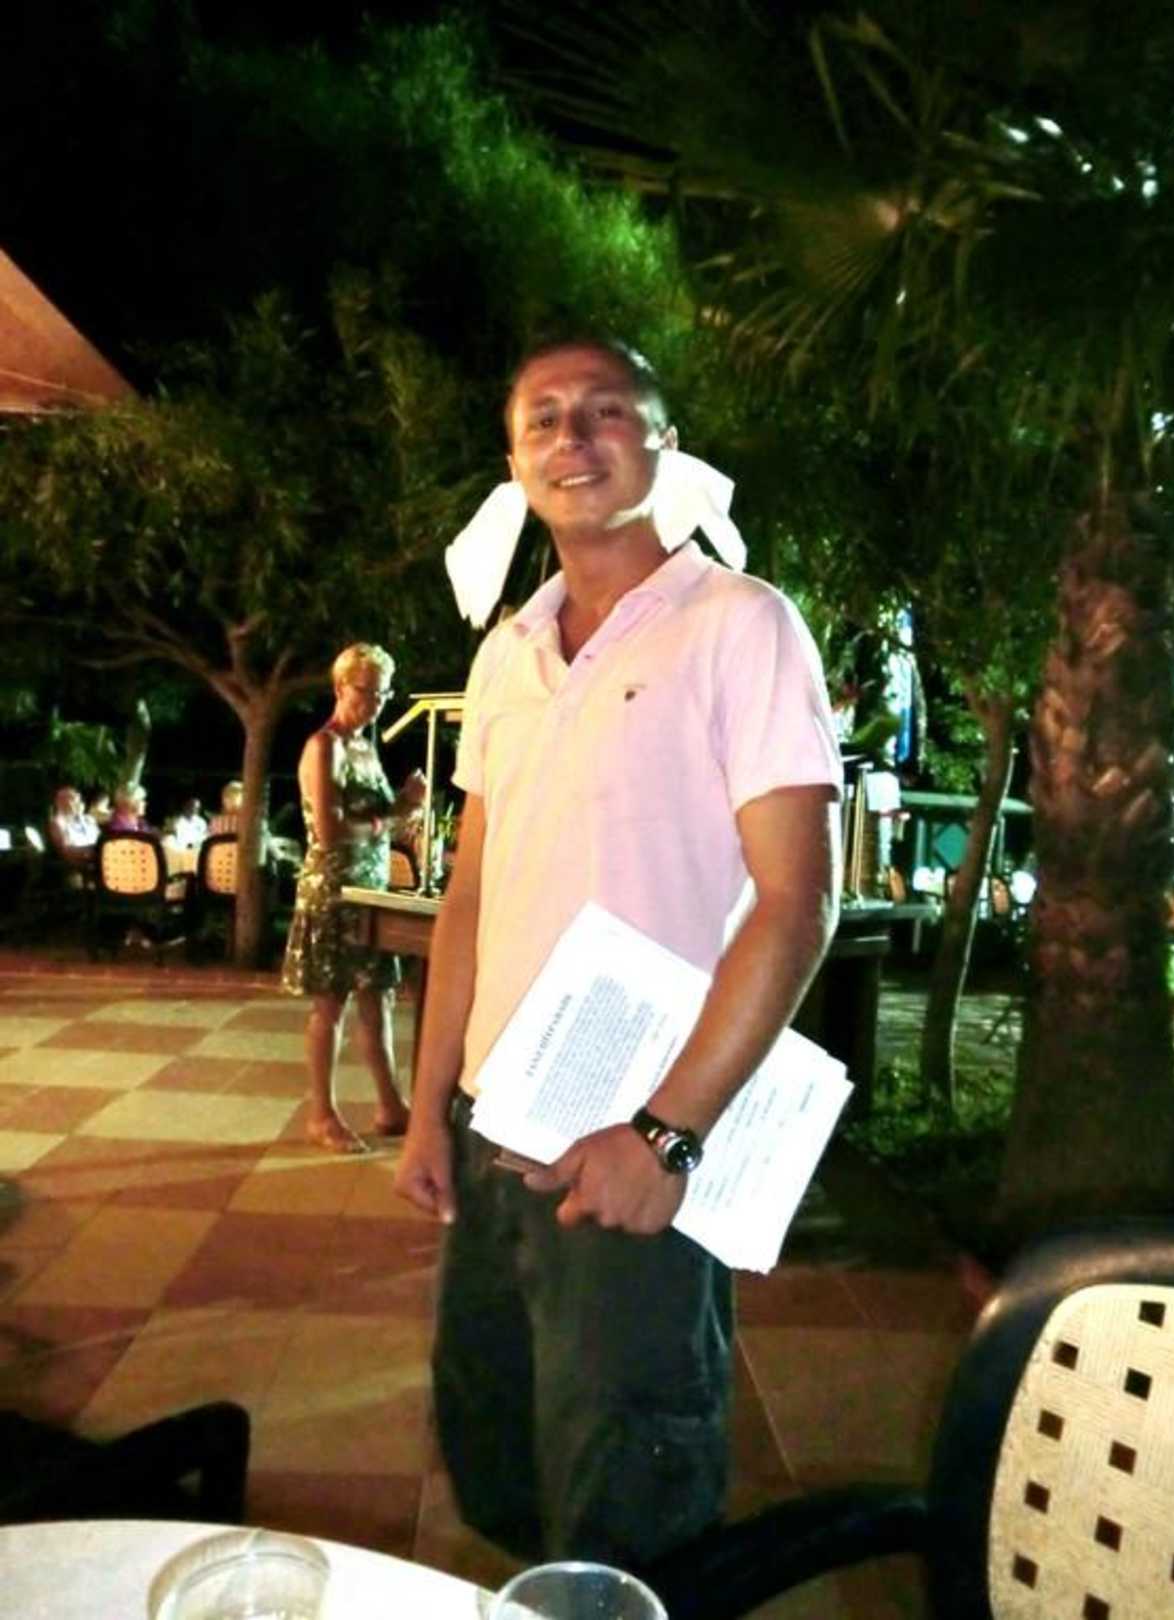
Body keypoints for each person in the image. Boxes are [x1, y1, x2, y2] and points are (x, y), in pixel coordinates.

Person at [393, 338, 842, 1568]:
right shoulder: (505, 654)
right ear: (513, 463)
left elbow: (798, 902)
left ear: (661, 444)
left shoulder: (741, 626)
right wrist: (429, 1113)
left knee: (626, 1508)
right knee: (499, 1474)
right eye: (543, 418)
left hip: (634, 1142)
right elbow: (470, 898)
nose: (572, 436)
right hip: (498, 1136)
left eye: (605, 411)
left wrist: (666, 1138)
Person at [281, 643, 411, 1154]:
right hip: (333, 893)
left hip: (369, 893)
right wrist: (396, 815)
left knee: (378, 999)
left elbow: (374, 820)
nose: (375, 703)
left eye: (383, 694)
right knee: (330, 1004)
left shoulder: (364, 746)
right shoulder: (326, 746)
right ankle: (322, 1114)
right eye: (366, 691)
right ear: (340, 688)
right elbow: (331, 830)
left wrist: (402, 811)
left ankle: (391, 1104)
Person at [46, 787, 100, 868]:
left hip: (97, 857)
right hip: (80, 864)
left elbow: (99, 838)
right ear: (60, 803)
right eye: (73, 799)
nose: (78, 803)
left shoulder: (88, 819)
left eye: (79, 800)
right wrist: (93, 849)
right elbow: (66, 852)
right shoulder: (57, 824)